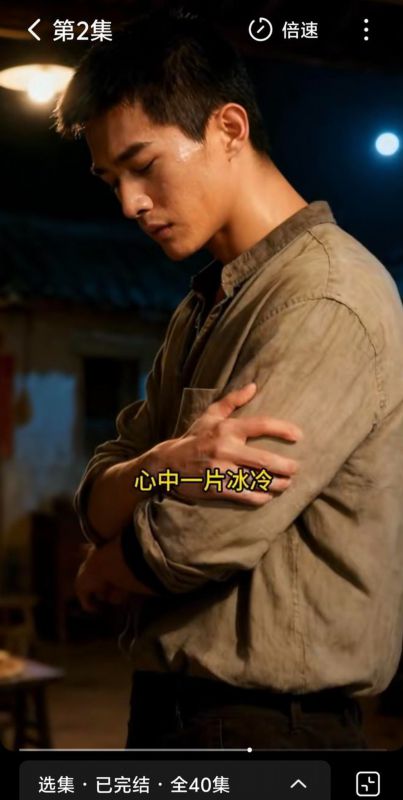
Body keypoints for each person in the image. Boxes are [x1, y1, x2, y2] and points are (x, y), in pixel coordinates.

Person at [55, 8, 403, 749]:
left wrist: (105, 565)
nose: (129, 203)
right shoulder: (206, 303)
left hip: (270, 728)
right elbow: (102, 486)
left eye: (143, 165)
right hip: (177, 711)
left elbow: (213, 523)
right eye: (111, 179)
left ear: (229, 129)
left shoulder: (324, 297)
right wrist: (157, 468)